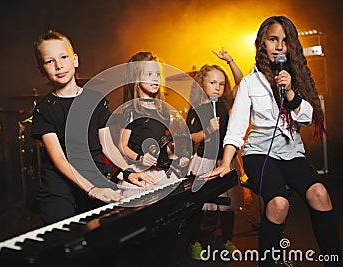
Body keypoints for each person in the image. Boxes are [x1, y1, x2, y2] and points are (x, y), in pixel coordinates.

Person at [205, 16, 342, 266]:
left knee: (320, 193)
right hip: (259, 153)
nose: (279, 46)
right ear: (262, 44)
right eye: (272, 39)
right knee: (278, 203)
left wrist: (290, 92)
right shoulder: (249, 82)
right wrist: (226, 162)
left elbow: (308, 119)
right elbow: (236, 127)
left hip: (291, 152)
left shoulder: (296, 78)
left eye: (285, 41)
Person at [31, 30, 154, 225]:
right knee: (65, 242)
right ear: (41, 69)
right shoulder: (44, 109)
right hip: (60, 186)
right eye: (49, 61)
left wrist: (128, 171)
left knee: (104, 239)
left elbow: (108, 147)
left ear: (75, 60)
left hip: (94, 175)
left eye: (63, 57)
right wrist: (91, 190)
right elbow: (59, 159)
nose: (59, 65)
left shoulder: (95, 100)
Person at [185, 49, 243, 259]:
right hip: (204, 161)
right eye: (212, 83)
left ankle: (227, 239)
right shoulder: (196, 108)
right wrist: (206, 131)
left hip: (224, 160)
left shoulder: (225, 104)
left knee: (228, 207)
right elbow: (190, 138)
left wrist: (230, 60)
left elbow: (241, 83)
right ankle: (195, 242)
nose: (217, 87)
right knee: (200, 206)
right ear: (202, 84)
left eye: (221, 84)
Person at [118, 51, 189, 198]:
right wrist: (140, 158)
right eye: (148, 75)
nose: (155, 79)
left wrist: (174, 156)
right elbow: (122, 146)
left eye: (157, 74)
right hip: (141, 174)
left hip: (162, 172)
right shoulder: (131, 110)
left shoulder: (162, 109)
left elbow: (161, 142)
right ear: (136, 79)